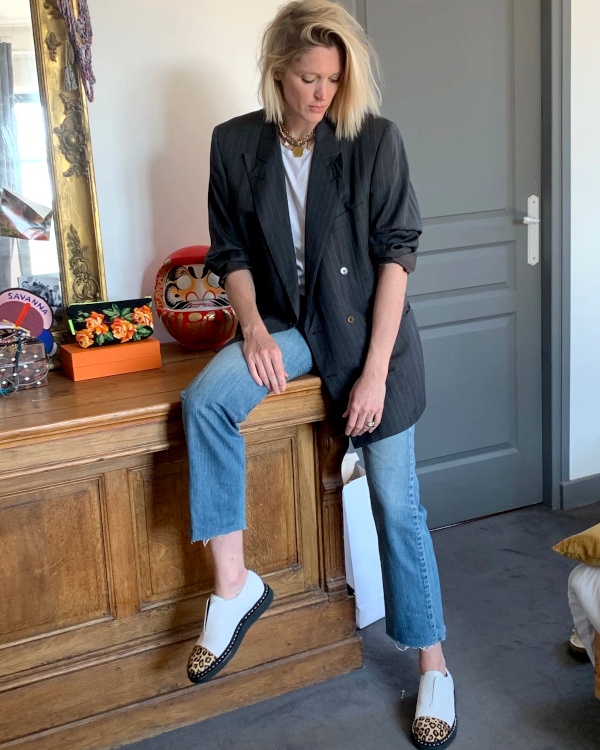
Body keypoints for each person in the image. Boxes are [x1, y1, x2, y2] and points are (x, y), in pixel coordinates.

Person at [181, 1, 457, 746]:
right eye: (309, 78)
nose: (322, 93)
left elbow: (397, 258)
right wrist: (250, 328)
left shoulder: (374, 140)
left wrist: (374, 375)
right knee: (205, 401)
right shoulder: (234, 143)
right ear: (278, 72)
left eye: (333, 79)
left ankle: (433, 665)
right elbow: (230, 253)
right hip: (288, 328)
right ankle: (235, 588)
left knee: (397, 507)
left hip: (370, 339)